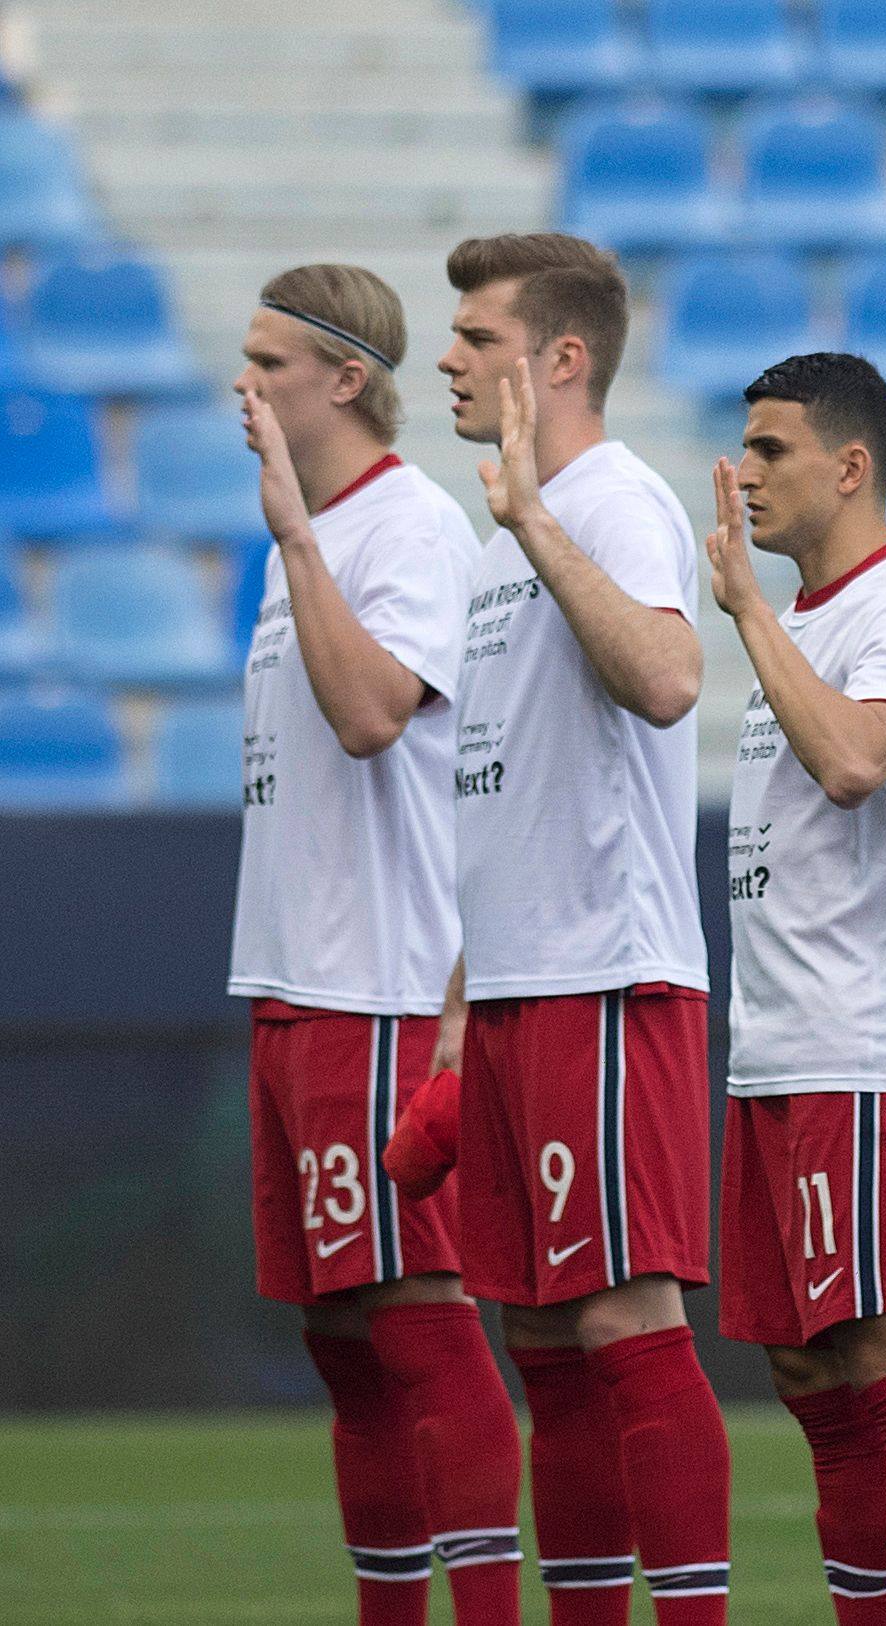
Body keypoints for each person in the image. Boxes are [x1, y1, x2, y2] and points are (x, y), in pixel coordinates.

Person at [437, 232, 729, 1625]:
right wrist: (455, 999)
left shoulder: (606, 502)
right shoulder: (515, 525)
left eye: (477, 337)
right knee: (544, 1335)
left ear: (560, 358)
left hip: (605, 976)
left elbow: (670, 678)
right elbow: (494, 784)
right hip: (514, 983)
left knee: (622, 1319)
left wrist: (534, 529)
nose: (447, 357)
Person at [230, 263, 520, 1626]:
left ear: (346, 378)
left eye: (270, 364)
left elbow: (367, 716)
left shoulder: (400, 529)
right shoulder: (321, 528)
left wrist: (296, 542)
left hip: (383, 984)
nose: (247, 391)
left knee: (416, 1315)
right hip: (296, 981)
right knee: (341, 1336)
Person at [704, 352, 886, 1625]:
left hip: (861, 1047)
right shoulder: (812, 617)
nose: (745, 473)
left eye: (770, 450)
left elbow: (858, 762)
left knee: (884, 1347)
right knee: (807, 1365)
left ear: (851, 465)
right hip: (777, 1046)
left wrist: (749, 618)